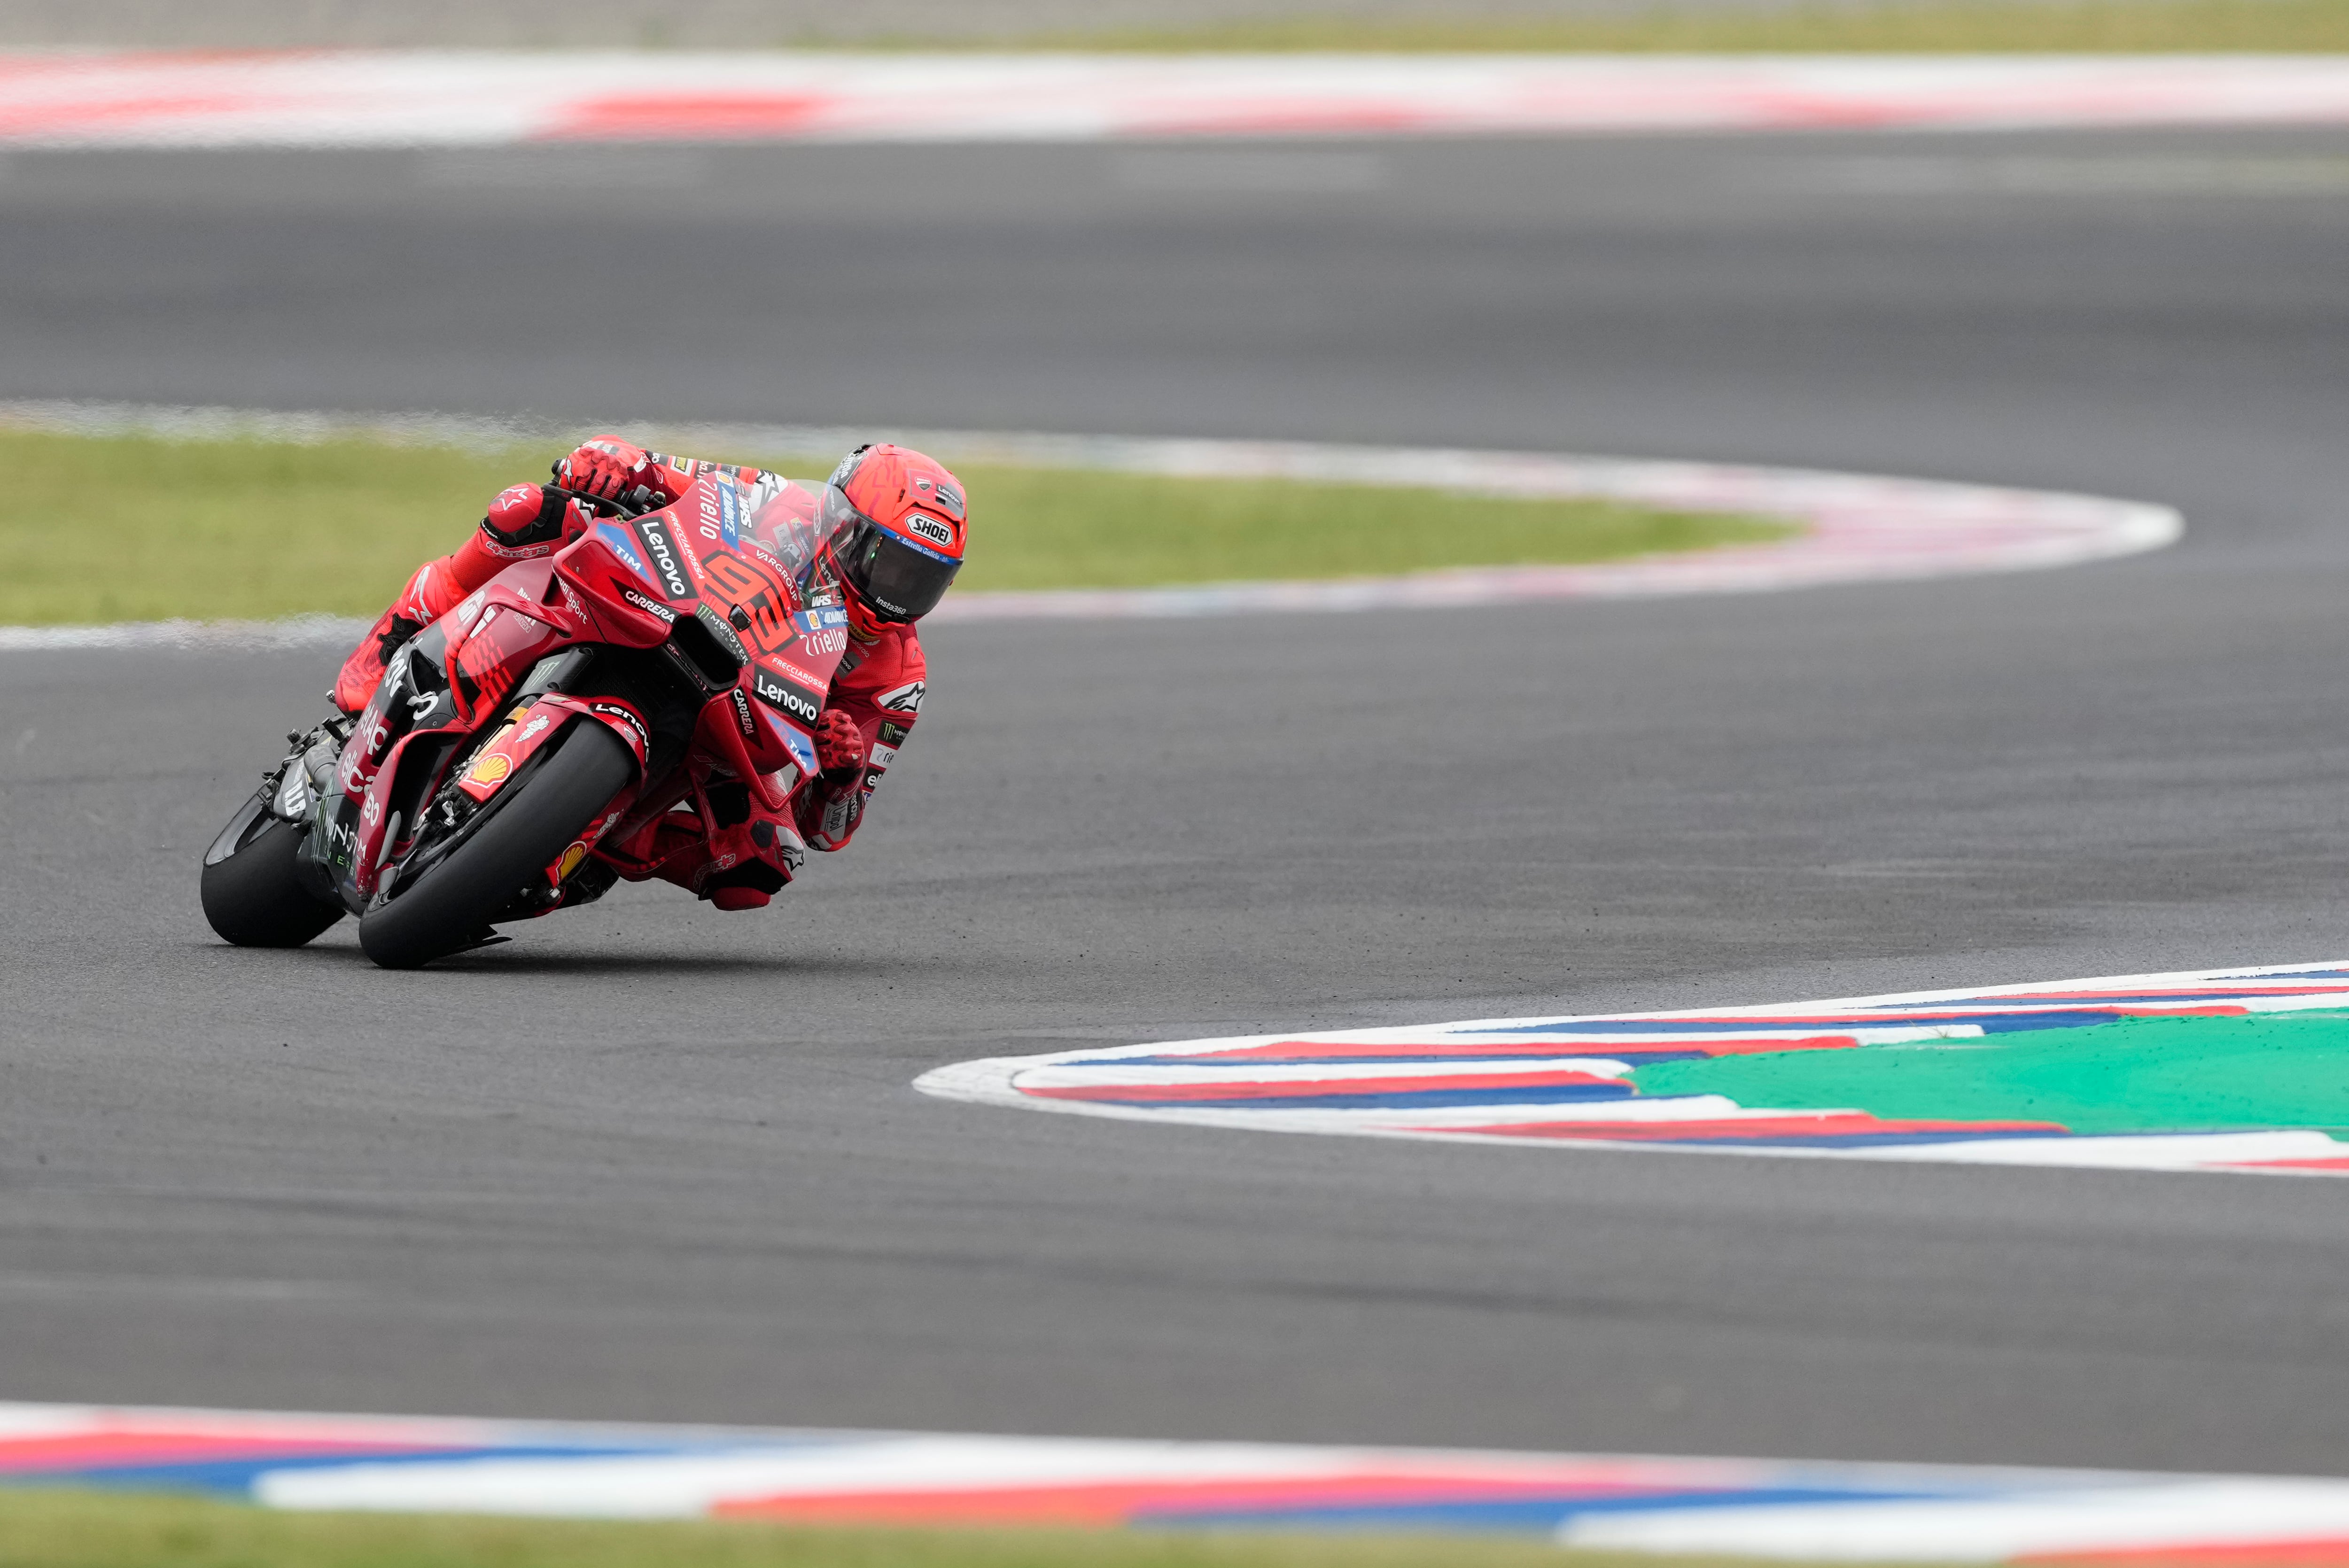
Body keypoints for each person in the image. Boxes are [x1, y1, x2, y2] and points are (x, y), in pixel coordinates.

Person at [331, 435, 965, 910]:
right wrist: (615, 464)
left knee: (761, 865)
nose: (898, 594)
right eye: (892, 566)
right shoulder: (781, 501)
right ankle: (392, 646)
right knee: (528, 509)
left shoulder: (896, 674)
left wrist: (841, 776)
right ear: (847, 525)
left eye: (921, 582)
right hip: (661, 611)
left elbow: (833, 829)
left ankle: (590, 844)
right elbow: (666, 472)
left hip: (731, 729)